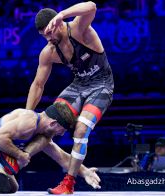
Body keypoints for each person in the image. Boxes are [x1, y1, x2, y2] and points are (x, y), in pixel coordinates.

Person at [27, 1, 114, 194]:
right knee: (44, 126)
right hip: (79, 86)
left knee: (81, 130)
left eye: (49, 33)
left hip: (101, 85)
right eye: (44, 36)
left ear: (57, 23)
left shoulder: (78, 29)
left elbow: (92, 6)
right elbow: (38, 84)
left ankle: (69, 183)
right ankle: (19, 159)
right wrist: (27, 114)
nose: (48, 39)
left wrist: (62, 14)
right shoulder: (48, 52)